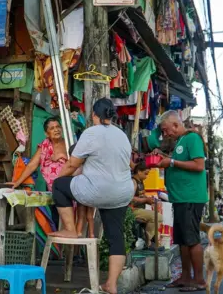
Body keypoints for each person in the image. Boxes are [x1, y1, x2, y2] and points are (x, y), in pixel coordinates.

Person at [51, 98, 134, 294]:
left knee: (59, 185)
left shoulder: (90, 133)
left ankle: (71, 230)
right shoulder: (122, 135)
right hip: (121, 192)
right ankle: (111, 284)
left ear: (94, 115)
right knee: (116, 236)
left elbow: (72, 165)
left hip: (96, 191)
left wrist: (58, 181)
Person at [156, 110, 208, 292]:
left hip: (190, 197)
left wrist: (170, 163)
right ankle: (186, 276)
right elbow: (178, 163)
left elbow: (199, 165)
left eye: (165, 130)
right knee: (182, 239)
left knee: (192, 239)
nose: (165, 134)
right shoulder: (180, 142)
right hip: (180, 198)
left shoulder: (192, 139)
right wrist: (165, 159)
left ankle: (199, 279)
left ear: (176, 125)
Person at [7, 117, 67, 227]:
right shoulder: (44, 146)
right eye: (52, 128)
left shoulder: (68, 143)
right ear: (46, 133)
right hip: (55, 190)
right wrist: (17, 182)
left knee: (72, 221)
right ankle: (59, 243)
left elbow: (77, 162)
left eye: (58, 127)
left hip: (70, 188)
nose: (56, 130)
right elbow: (32, 165)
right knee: (57, 219)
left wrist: (63, 156)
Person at [69, 143, 96, 238]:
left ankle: (78, 232)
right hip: (90, 193)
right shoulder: (89, 167)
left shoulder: (75, 168)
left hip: (80, 194)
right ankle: (91, 234)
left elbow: (72, 178)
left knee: (80, 215)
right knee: (89, 216)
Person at [130, 162, 158, 248]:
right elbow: (131, 199)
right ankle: (147, 241)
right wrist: (145, 200)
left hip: (140, 209)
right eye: (145, 174)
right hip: (133, 210)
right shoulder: (133, 182)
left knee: (157, 224)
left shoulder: (141, 182)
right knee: (157, 217)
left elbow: (140, 196)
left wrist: (148, 199)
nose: (147, 176)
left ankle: (148, 240)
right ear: (139, 171)